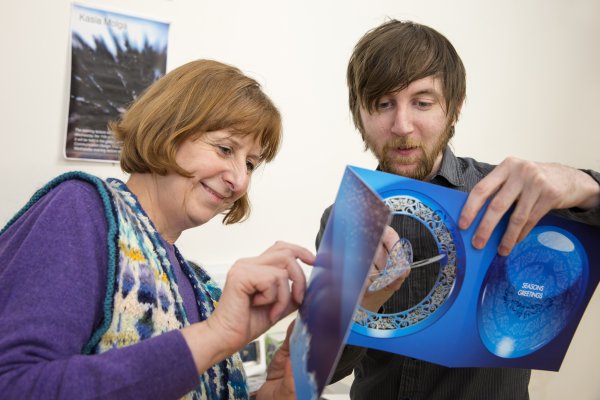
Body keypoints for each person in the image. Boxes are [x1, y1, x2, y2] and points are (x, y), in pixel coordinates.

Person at [0, 59, 316, 399]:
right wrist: (215, 334)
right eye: (225, 149)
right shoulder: (81, 209)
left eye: (250, 165)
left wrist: (274, 394)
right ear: (169, 128)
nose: (239, 181)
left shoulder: (197, 286)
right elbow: (14, 385)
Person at [318, 20, 600, 399]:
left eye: (422, 102)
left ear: (454, 108)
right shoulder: (343, 216)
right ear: (360, 114)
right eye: (383, 104)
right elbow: (323, 369)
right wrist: (357, 303)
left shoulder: (518, 195)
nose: (402, 125)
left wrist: (585, 184)